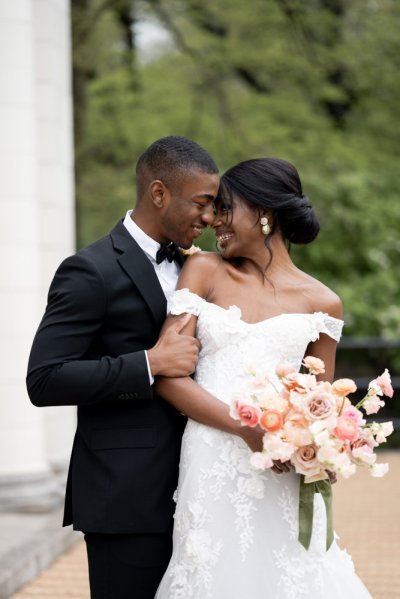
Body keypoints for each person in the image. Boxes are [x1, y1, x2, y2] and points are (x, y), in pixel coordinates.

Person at [27, 136, 257, 599]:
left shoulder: (204, 267)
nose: (210, 218)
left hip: (204, 488)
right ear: (159, 194)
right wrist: (147, 363)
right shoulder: (89, 270)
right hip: (126, 497)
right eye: (202, 203)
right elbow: (45, 378)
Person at [154, 158, 373, 598]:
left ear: (263, 213)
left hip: (279, 470)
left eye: (225, 209)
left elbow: (320, 402)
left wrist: (322, 448)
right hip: (210, 457)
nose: (215, 221)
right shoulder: (204, 271)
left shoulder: (323, 304)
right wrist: (242, 428)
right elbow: (167, 376)